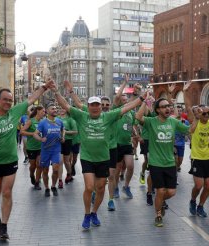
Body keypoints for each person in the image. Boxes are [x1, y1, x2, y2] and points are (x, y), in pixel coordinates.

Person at [56, 80, 146, 230]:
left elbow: (126, 107)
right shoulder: (82, 115)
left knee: (100, 188)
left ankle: (94, 212)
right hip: (87, 158)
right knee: (89, 187)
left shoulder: (108, 116)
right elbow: (65, 105)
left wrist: (142, 98)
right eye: (93, 105)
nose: (96, 107)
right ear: (89, 107)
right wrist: (57, 91)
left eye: (98, 105)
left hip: (104, 158)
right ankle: (86, 214)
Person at [0, 80, 55, 240]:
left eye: (10, 100)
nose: (7, 102)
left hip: (10, 161)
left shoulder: (14, 112)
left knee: (6, 192)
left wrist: (45, 87)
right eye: (5, 99)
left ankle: (4, 226)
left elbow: (32, 99)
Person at [136, 96, 190, 227]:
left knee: (171, 192)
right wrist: (144, 100)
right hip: (155, 163)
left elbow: (189, 130)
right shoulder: (151, 121)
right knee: (160, 191)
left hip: (170, 163)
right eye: (164, 106)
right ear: (157, 110)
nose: (168, 108)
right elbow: (138, 117)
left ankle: (158, 202)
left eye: (168, 106)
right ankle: (158, 215)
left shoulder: (173, 122)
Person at [33, 104, 64, 196]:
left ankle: (53, 186)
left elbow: (62, 130)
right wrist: (41, 139)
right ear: (47, 111)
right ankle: (47, 188)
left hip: (56, 150)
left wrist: (63, 137)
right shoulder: (43, 122)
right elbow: (35, 134)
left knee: (55, 169)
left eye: (55, 108)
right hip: (45, 150)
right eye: (52, 108)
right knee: (45, 170)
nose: (55, 110)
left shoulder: (59, 121)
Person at [20, 106, 45, 190]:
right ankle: (31, 175)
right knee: (33, 166)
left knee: (39, 164)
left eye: (44, 112)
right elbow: (22, 131)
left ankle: (37, 182)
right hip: (31, 147)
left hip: (41, 147)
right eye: (43, 111)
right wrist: (33, 134)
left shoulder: (43, 122)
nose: (44, 113)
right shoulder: (30, 121)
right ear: (37, 111)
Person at [58, 107, 78, 185]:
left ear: (66, 110)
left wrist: (65, 132)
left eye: (63, 108)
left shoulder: (70, 119)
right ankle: (60, 180)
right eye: (60, 108)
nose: (61, 110)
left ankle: (69, 174)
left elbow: (75, 131)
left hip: (67, 141)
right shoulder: (56, 119)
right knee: (60, 161)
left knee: (66, 161)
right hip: (58, 141)